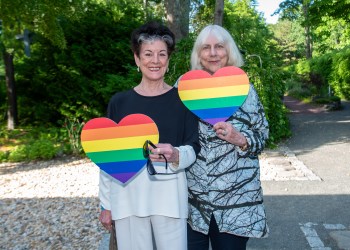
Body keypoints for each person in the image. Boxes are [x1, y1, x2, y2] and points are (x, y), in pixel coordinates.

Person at [98, 21, 200, 250]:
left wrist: (175, 154)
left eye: (162, 54)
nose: (155, 61)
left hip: (169, 199)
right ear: (136, 58)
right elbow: (107, 159)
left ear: (168, 60)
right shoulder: (119, 103)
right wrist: (106, 204)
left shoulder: (183, 100)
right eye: (148, 54)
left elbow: (194, 146)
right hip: (127, 198)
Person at [185, 25, 269, 250]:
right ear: (198, 54)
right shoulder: (184, 88)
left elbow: (263, 135)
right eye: (206, 47)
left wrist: (242, 139)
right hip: (193, 204)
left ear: (228, 51)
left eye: (219, 46)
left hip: (237, 204)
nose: (213, 53)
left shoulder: (246, 90)